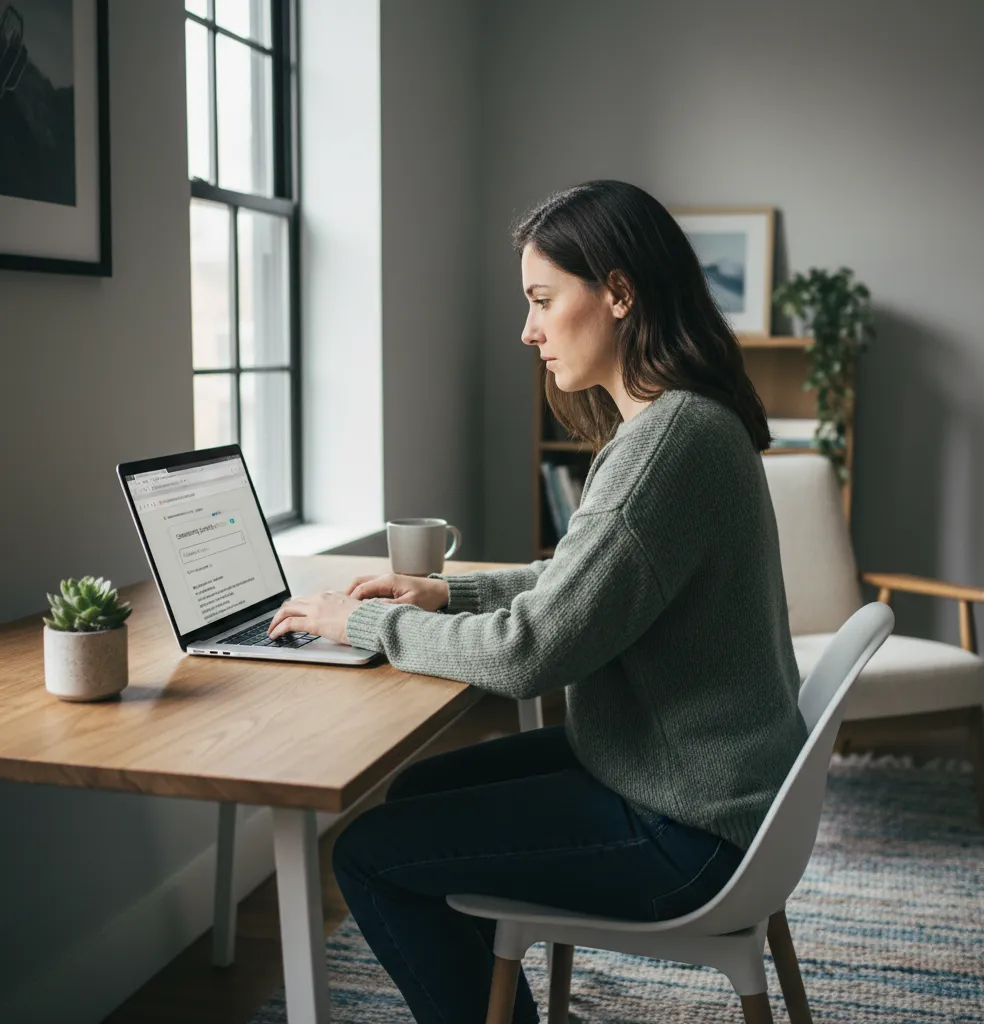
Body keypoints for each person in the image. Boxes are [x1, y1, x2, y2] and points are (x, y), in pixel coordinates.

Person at [267, 180, 807, 1024]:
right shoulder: (680, 423)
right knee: (412, 802)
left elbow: (530, 655)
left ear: (620, 294)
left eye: (544, 300)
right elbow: (586, 584)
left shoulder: (667, 442)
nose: (528, 329)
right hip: (702, 785)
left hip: (687, 827)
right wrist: (447, 590)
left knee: (369, 852)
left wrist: (365, 622)